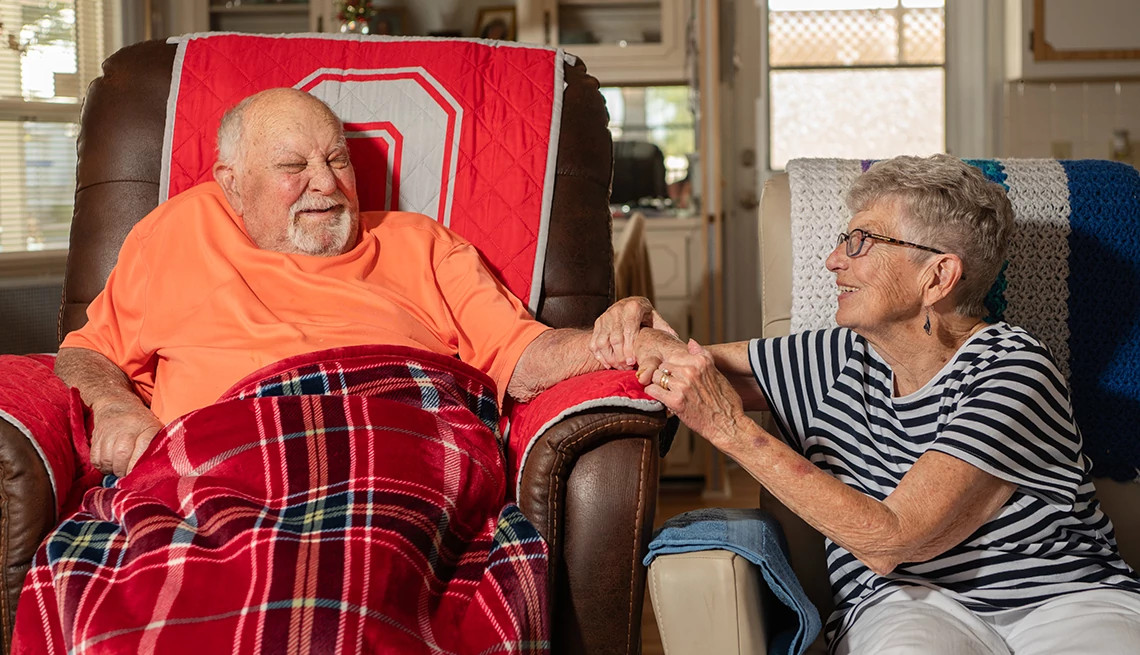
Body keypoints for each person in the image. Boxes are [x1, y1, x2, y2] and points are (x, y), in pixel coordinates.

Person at [603, 154, 1140, 653]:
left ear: (938, 276)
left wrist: (730, 428)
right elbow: (678, 365)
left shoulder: (1014, 367)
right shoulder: (835, 356)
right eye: (843, 238)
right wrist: (640, 323)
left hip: (1067, 597)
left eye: (861, 242)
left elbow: (895, 539)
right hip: (905, 602)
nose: (834, 260)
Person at [56, 87, 668, 478]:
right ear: (232, 182)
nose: (325, 183)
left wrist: (615, 337)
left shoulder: (423, 244)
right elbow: (87, 353)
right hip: (216, 471)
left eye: (337, 159)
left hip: (395, 461)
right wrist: (113, 407)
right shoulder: (175, 232)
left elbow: (524, 357)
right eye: (293, 167)